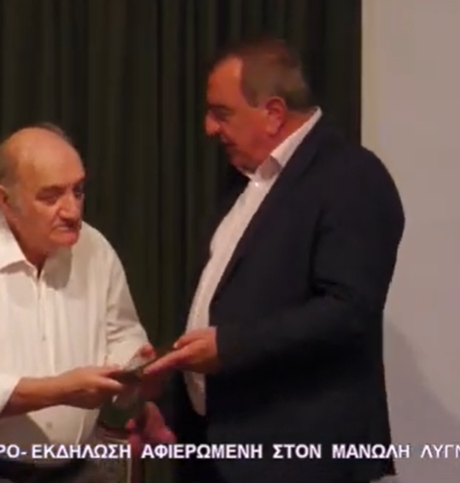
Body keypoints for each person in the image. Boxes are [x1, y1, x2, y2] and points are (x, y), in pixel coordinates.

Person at [137, 35, 405, 483]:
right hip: (218, 453)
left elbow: (349, 310)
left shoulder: (351, 176)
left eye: (222, 113)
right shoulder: (245, 180)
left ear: (274, 113)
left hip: (302, 461)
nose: (208, 128)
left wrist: (229, 346)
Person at [0, 123, 155, 483]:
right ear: (5, 200)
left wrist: (130, 368)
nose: (72, 211)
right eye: (51, 197)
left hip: (78, 468)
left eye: (78, 191)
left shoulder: (95, 249)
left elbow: (121, 331)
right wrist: (62, 390)